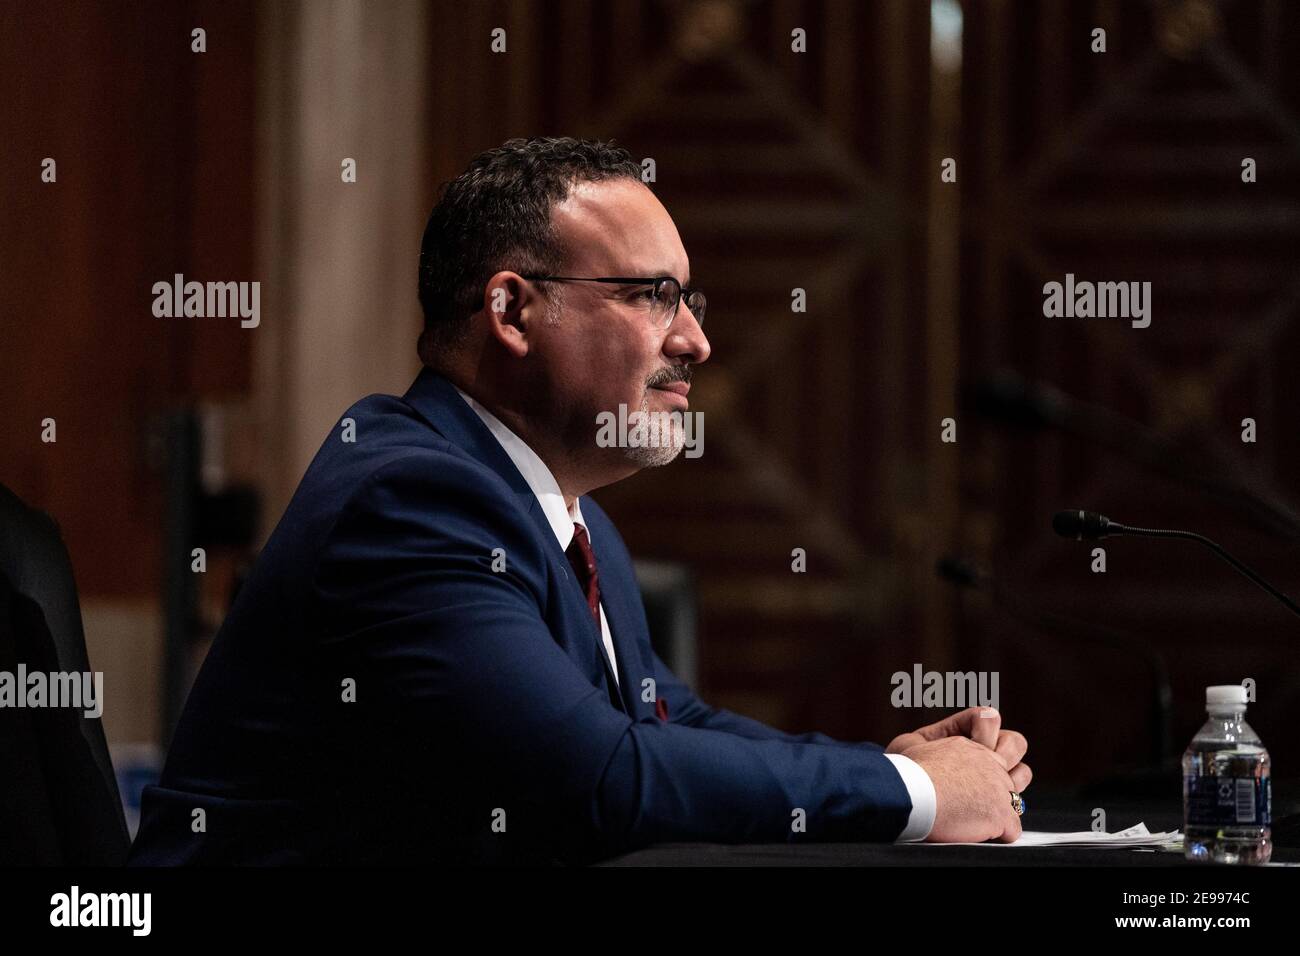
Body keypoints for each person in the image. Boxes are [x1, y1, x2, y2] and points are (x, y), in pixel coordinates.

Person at [130, 136, 1030, 865]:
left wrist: (891, 765)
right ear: (513, 313)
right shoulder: (410, 499)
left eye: (691, 299)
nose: (697, 341)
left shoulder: (563, 508)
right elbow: (592, 777)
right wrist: (916, 797)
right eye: (652, 296)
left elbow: (665, 723)